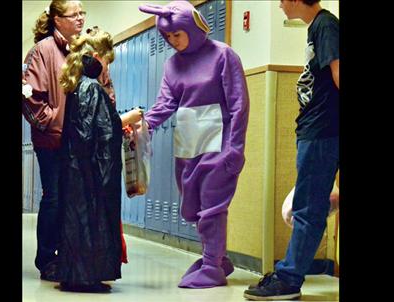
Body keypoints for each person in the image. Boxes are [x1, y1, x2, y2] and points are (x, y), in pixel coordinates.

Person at [138, 0, 250, 289]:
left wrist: (235, 147)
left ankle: (212, 265)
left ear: (193, 27)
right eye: (167, 37)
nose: (173, 41)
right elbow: (166, 104)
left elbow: (239, 104)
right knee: (193, 207)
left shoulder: (223, 55)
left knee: (213, 207)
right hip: (188, 145)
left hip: (219, 144)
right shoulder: (172, 64)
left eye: (178, 34)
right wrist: (144, 125)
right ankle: (217, 257)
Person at [243, 0, 339, 300]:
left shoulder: (326, 25)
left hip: (323, 131)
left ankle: (288, 279)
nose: (281, 4)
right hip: (317, 130)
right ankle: (289, 274)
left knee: (307, 209)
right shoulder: (318, 27)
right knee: (309, 206)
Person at [57, 27, 142, 293]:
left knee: (76, 223)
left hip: (75, 169)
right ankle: (87, 275)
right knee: (89, 221)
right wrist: (122, 123)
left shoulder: (78, 85)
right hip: (88, 171)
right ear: (96, 56)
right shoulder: (92, 88)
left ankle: (76, 273)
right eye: (107, 63)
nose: (107, 70)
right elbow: (94, 133)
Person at [22, 0, 86, 282]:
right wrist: (52, 124)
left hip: (78, 140)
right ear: (58, 20)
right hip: (52, 140)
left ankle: (67, 254)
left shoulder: (81, 49)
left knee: (73, 199)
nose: (80, 19)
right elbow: (29, 97)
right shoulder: (42, 51)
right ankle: (46, 259)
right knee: (55, 197)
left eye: (82, 13)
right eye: (75, 15)